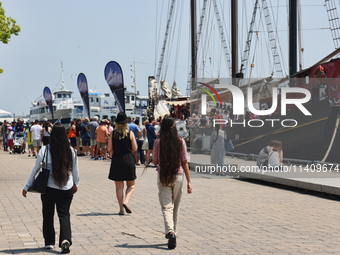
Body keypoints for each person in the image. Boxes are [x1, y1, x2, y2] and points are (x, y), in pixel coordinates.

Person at [22, 123, 79, 254]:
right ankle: (65, 239)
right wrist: (76, 184)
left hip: (48, 188)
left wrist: (27, 187)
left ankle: (49, 242)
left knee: (48, 214)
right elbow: (75, 171)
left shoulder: (45, 150)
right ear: (65, 136)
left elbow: (35, 170)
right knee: (64, 214)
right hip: (66, 188)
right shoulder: (71, 151)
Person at [151, 116, 192, 250]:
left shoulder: (158, 142)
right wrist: (189, 182)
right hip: (178, 175)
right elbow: (185, 162)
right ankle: (173, 231)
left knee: (166, 207)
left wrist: (154, 158)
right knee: (176, 205)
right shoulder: (181, 142)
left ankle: (170, 232)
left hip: (163, 175)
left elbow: (155, 161)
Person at [107, 112, 137, 215]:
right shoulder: (130, 133)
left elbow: (109, 148)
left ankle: (121, 209)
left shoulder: (113, 133)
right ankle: (126, 201)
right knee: (131, 184)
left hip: (117, 160)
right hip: (128, 159)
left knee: (119, 187)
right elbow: (135, 148)